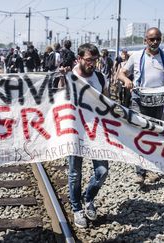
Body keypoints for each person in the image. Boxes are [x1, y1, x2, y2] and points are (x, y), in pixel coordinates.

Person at [117, 27, 164, 183]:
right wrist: (127, 80)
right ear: (145, 40)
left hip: (158, 102)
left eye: (158, 39)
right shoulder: (136, 56)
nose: (155, 42)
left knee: (154, 135)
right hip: (138, 99)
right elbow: (121, 73)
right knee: (140, 134)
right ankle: (140, 172)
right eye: (152, 39)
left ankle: (152, 169)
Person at [68, 43, 109, 229]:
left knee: (102, 171)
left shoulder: (100, 77)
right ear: (79, 59)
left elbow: (108, 103)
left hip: (97, 132)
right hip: (74, 132)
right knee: (75, 173)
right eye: (88, 60)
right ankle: (77, 209)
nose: (92, 63)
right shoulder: (70, 76)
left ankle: (88, 198)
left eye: (95, 60)